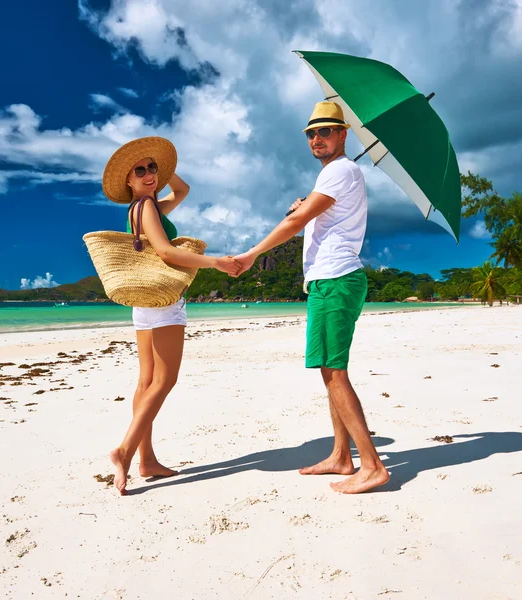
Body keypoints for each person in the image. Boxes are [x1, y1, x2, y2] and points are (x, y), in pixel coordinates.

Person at [234, 102, 389, 494]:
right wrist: (307, 205)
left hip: (336, 279)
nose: (316, 138)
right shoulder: (335, 175)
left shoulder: (341, 170)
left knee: (334, 372)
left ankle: (371, 465)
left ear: (343, 134)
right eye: (310, 133)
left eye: (325, 131)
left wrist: (251, 255)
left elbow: (295, 223)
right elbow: (311, 215)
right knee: (329, 368)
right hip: (329, 280)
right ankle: (341, 455)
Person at [102, 137, 240, 495]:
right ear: (128, 181)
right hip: (164, 303)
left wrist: (162, 167)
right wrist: (216, 262)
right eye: (140, 170)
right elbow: (165, 252)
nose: (149, 175)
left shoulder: (142, 208)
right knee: (164, 381)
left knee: (145, 382)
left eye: (152, 168)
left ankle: (146, 460)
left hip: (143, 304)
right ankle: (125, 450)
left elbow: (182, 190)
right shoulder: (147, 206)